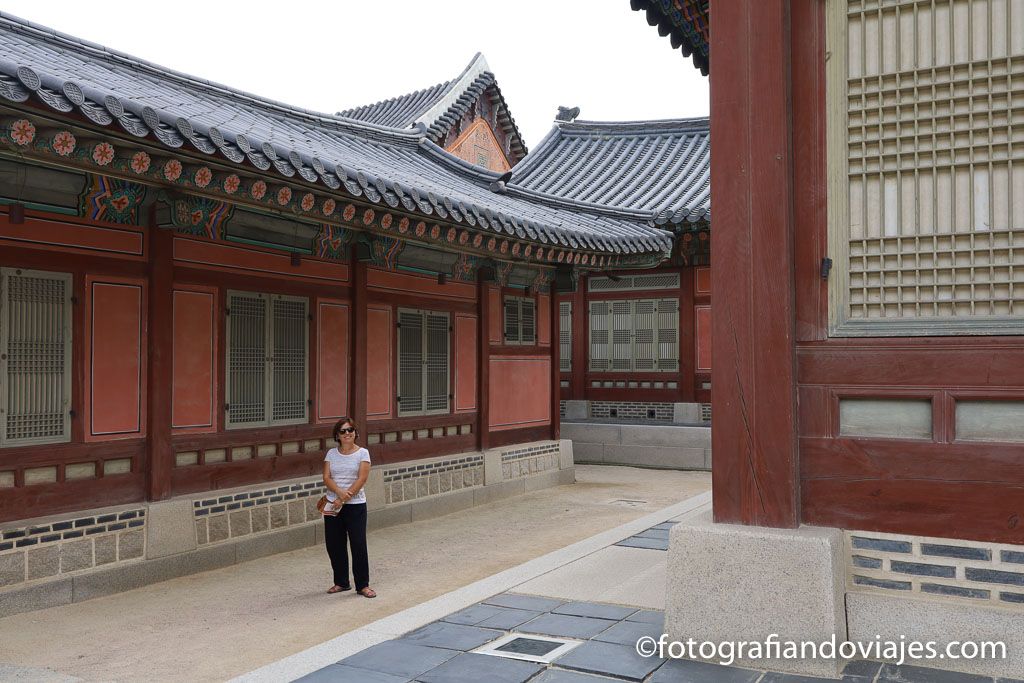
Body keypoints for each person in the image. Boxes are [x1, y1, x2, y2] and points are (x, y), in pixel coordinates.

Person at [322, 418, 376, 598]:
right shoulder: (331, 454)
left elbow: (362, 478)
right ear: (337, 435)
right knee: (334, 544)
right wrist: (338, 494)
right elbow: (326, 477)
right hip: (333, 505)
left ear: (355, 432)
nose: (347, 434)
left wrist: (346, 497)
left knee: (358, 544)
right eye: (343, 431)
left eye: (350, 430)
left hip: (355, 505)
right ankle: (341, 582)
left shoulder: (363, 453)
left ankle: (362, 585)